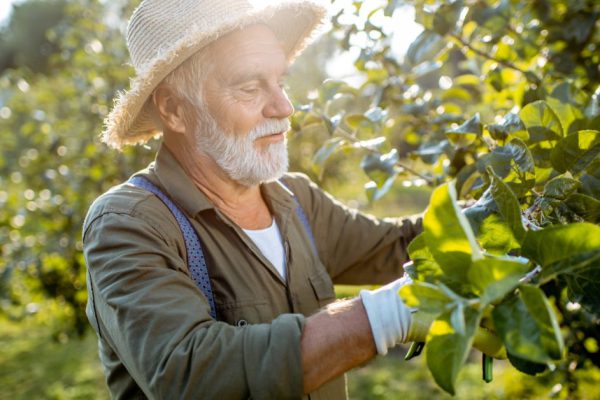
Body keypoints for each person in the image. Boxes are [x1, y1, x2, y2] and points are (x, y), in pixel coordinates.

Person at [83, 1, 488, 399]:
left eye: (281, 81)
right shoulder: (129, 223)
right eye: (249, 87)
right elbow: (189, 373)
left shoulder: (295, 199)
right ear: (174, 109)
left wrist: (503, 214)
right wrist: (384, 316)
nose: (284, 107)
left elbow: (397, 246)